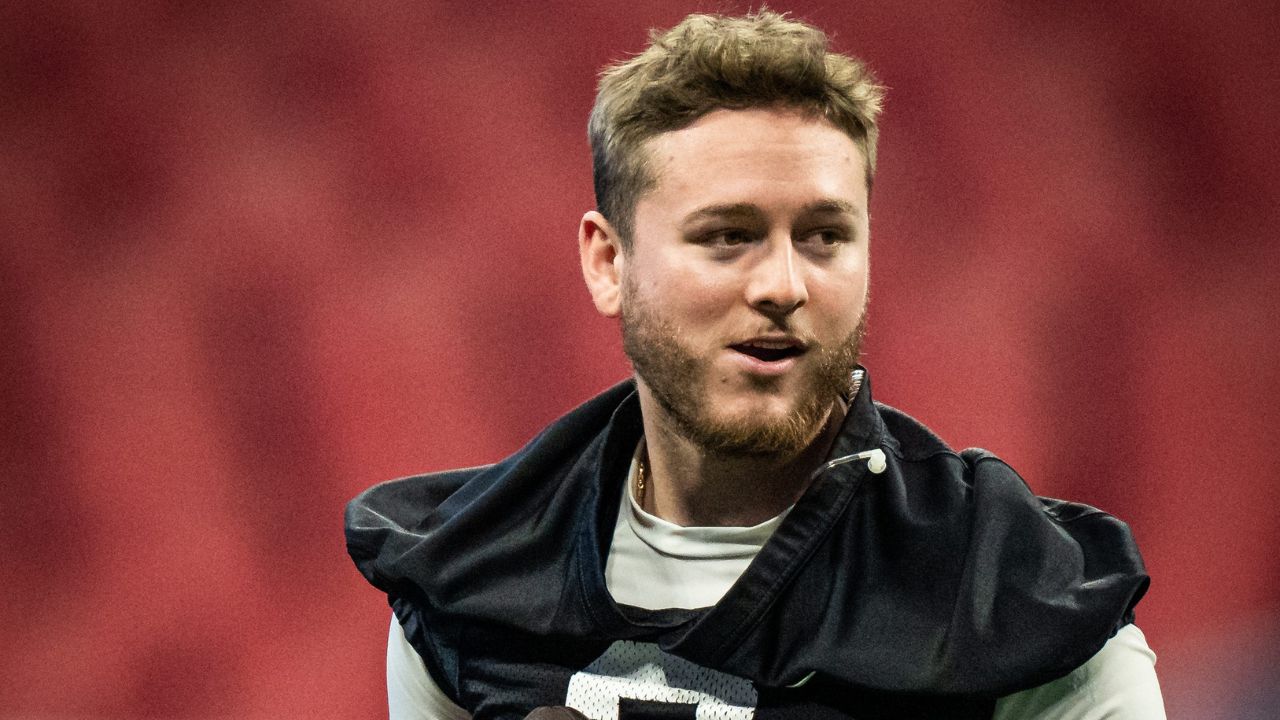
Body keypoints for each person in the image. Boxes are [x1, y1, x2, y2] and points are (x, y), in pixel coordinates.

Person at [346, 11, 1165, 719]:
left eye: (825, 236)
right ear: (608, 262)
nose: (782, 285)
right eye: (727, 236)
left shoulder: (1016, 600)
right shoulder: (465, 582)